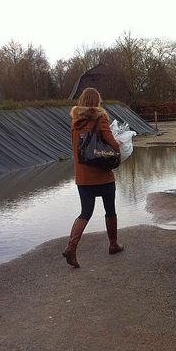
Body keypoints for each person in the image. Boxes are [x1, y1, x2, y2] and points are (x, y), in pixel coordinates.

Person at [63, 87, 124, 268]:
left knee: (85, 212)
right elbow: (113, 145)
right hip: (103, 175)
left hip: (83, 177)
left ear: (82, 101)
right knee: (110, 210)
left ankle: (71, 247)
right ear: (97, 101)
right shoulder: (101, 118)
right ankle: (113, 245)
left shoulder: (75, 122)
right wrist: (118, 145)